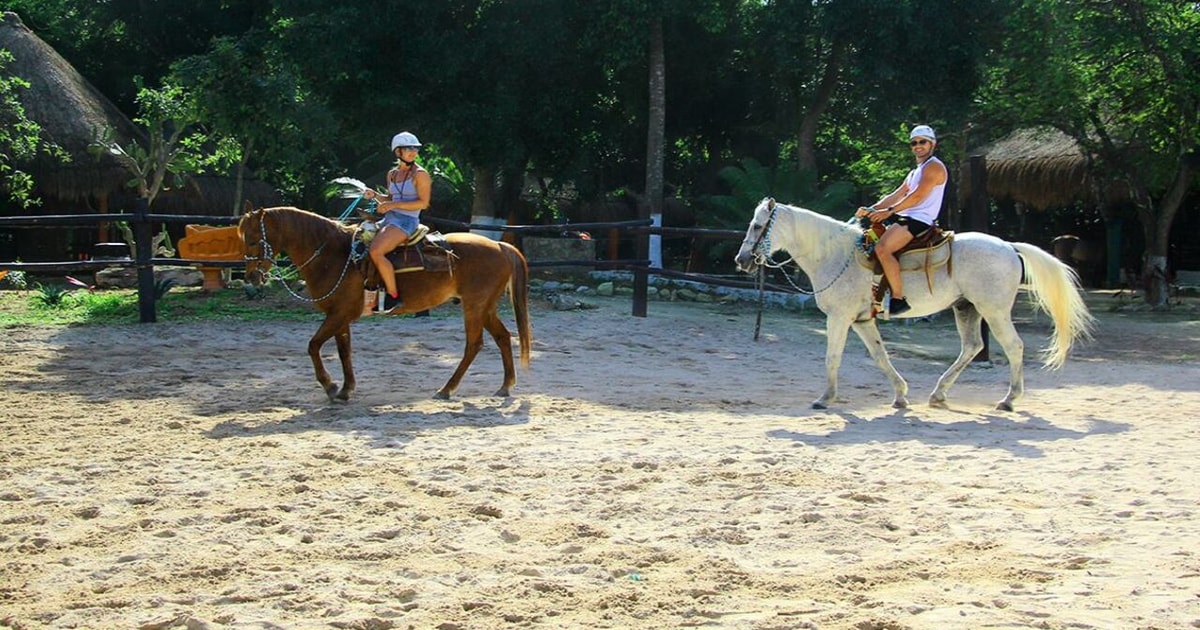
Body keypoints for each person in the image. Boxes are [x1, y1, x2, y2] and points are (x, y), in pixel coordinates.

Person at [854, 124, 948, 315]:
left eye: (923, 142)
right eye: (914, 143)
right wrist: (872, 209)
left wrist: (888, 212)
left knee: (882, 248)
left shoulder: (934, 167)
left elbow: (916, 197)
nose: (918, 146)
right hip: (907, 217)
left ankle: (898, 299)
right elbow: (897, 194)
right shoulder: (915, 171)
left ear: (933, 145)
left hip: (919, 219)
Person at [362, 131, 432, 312]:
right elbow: (390, 198)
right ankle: (369, 288)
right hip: (390, 219)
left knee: (376, 251)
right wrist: (375, 195)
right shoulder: (392, 174)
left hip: (407, 221)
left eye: (415, 149)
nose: (413, 152)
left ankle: (394, 296)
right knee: (358, 240)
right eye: (408, 149)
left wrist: (393, 205)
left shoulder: (420, 175)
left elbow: (423, 203)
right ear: (398, 152)